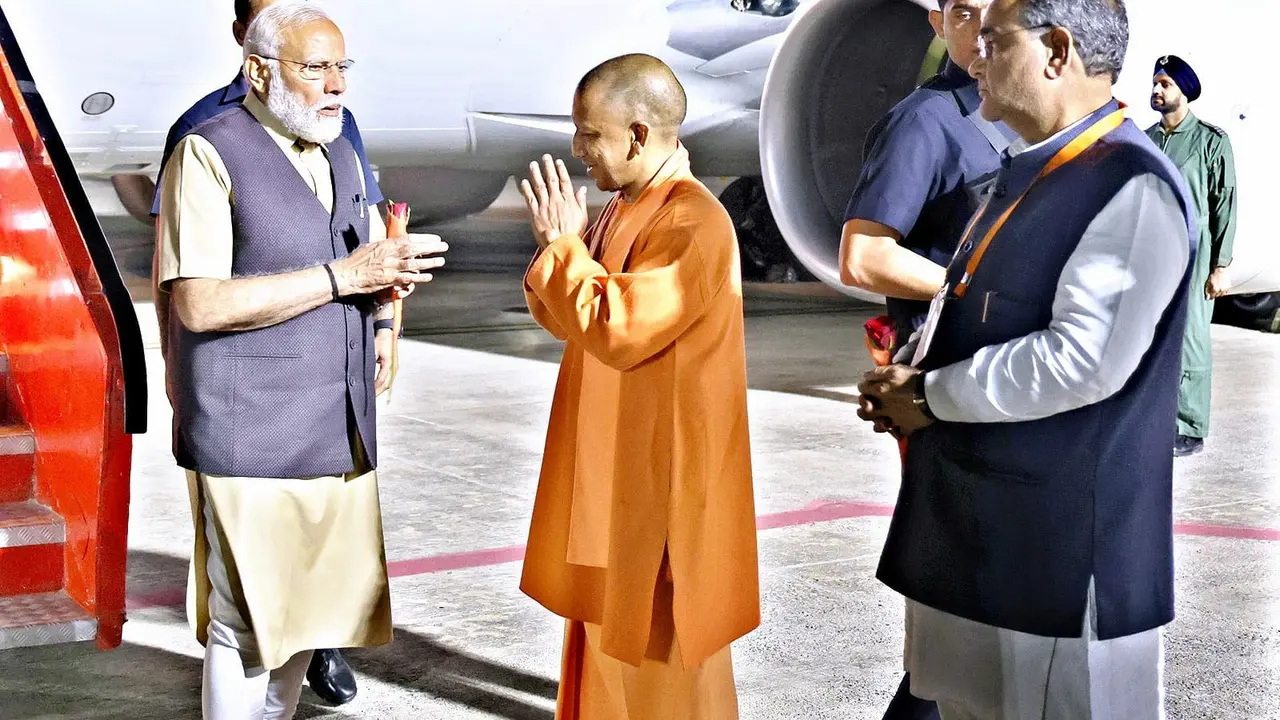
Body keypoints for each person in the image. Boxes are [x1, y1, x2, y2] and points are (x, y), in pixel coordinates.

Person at [856, 0, 1196, 717]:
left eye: (994, 39)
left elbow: (1082, 359)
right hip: (982, 543)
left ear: (1057, 50)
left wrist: (928, 396)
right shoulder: (1038, 169)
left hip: (1057, 565)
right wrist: (913, 365)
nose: (974, 56)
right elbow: (976, 300)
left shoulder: (1128, 184)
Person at [155, 3, 446, 717]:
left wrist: (383, 307)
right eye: (315, 68)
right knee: (250, 620)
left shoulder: (339, 146)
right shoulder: (206, 151)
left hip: (335, 420)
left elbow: (361, 248)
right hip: (250, 425)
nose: (336, 84)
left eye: (342, 67)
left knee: (311, 616)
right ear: (259, 71)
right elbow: (198, 304)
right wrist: (346, 277)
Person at [517, 53, 759, 720]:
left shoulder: (693, 222)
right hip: (614, 480)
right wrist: (560, 248)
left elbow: (617, 328)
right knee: (605, 657)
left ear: (638, 135)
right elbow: (565, 316)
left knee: (663, 668)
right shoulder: (626, 208)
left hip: (664, 490)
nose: (577, 149)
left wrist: (563, 250)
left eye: (589, 133)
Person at [839, 2, 1015, 716]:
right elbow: (863, 255)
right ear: (938, 23)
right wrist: (975, 286)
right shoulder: (927, 121)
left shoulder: (1028, 113)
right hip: (945, 391)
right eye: (964, 13)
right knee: (963, 600)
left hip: (1010, 384)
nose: (983, 29)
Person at [1146, 54, 1238, 458]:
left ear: (1184, 90)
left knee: (1191, 338)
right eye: (1155, 82)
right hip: (1151, 253)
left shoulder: (1210, 142)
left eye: (1165, 84)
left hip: (1193, 252)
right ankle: (1156, 420)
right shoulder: (1146, 139)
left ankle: (1190, 426)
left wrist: (1221, 265)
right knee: (1152, 337)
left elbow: (1225, 205)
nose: (1156, 90)